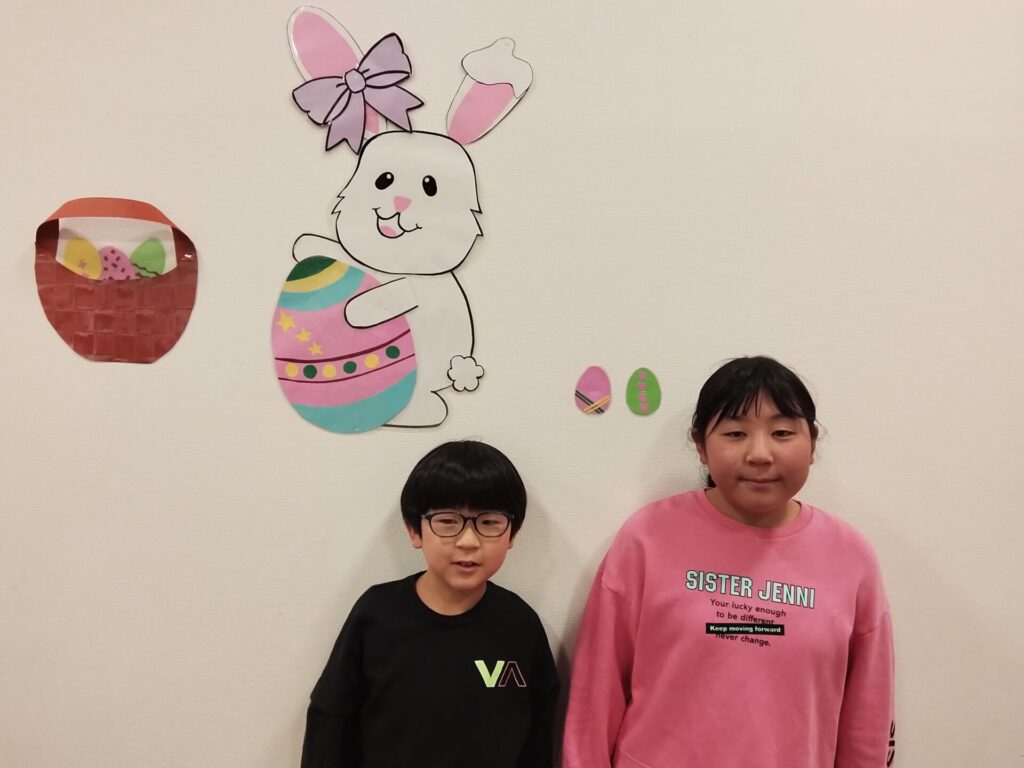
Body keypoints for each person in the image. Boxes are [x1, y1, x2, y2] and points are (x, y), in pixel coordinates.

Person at [562, 356, 895, 767]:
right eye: (736, 433)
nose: (760, 453)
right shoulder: (647, 538)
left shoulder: (850, 557)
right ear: (701, 445)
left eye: (782, 432)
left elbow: (867, 719)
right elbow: (596, 695)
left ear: (812, 442)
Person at [301, 440, 559, 768]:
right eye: (448, 521)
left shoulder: (520, 625)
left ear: (512, 535)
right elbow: (330, 721)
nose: (468, 541)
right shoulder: (376, 614)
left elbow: (539, 734)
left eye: (489, 522)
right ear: (414, 531)